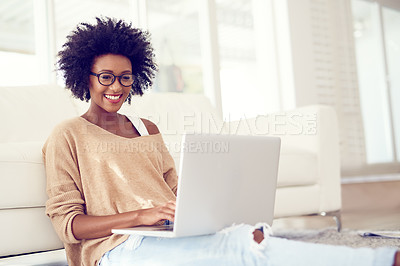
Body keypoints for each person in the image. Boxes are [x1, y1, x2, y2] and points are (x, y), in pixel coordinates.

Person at [43, 17, 400, 266]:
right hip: (116, 251)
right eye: (106, 76)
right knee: (247, 252)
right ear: (84, 77)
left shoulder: (147, 128)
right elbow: (70, 226)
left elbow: (177, 190)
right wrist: (140, 215)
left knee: (252, 240)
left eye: (125, 78)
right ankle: (383, 259)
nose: (116, 87)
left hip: (171, 235)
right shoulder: (68, 135)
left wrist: (206, 205)